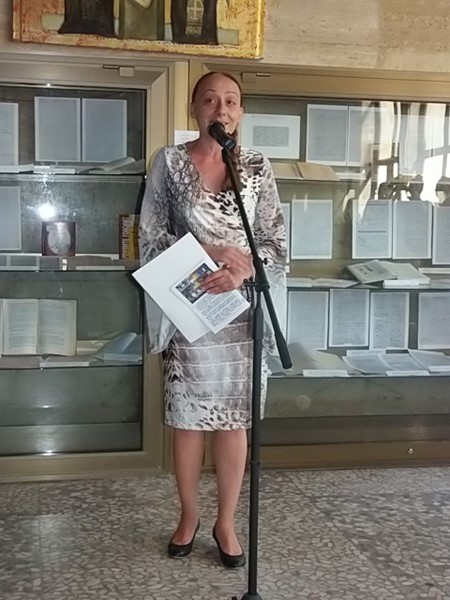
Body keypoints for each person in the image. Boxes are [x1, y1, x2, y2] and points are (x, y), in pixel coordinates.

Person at [139, 71, 286, 568]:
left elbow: (274, 241)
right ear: (194, 109)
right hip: (190, 306)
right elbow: (151, 236)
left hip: (241, 311)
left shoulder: (258, 167)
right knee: (187, 420)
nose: (220, 110)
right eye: (210, 100)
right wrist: (208, 252)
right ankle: (188, 515)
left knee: (234, 421)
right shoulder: (169, 163)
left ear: (240, 112)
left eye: (231, 101)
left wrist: (243, 269)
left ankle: (226, 522)